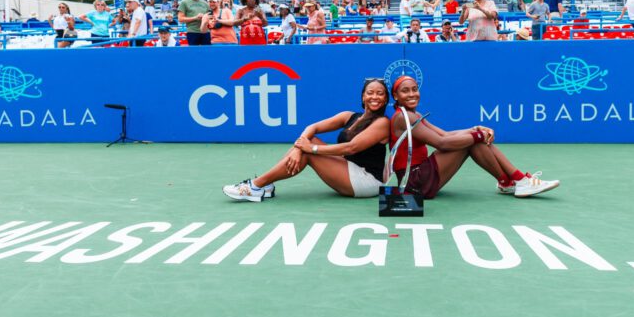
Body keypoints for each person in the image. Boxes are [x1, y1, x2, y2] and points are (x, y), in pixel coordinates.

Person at [389, 75, 559, 198]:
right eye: (405, 91)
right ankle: (515, 181)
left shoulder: (412, 114)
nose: (412, 94)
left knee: (474, 139)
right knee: (473, 141)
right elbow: (442, 143)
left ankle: (512, 181)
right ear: (396, 96)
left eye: (414, 89)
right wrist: (478, 135)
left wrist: (474, 129)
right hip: (414, 182)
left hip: (419, 177)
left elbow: (445, 134)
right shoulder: (403, 117)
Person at [223, 79, 392, 201]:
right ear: (363, 97)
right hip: (350, 169)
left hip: (367, 180)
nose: (374, 97)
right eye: (370, 93)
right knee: (311, 141)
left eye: (380, 94)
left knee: (310, 151)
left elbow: (351, 148)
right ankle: (264, 185)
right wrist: (299, 147)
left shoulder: (382, 123)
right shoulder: (349, 116)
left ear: (385, 99)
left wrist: (310, 149)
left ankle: (256, 185)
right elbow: (313, 127)